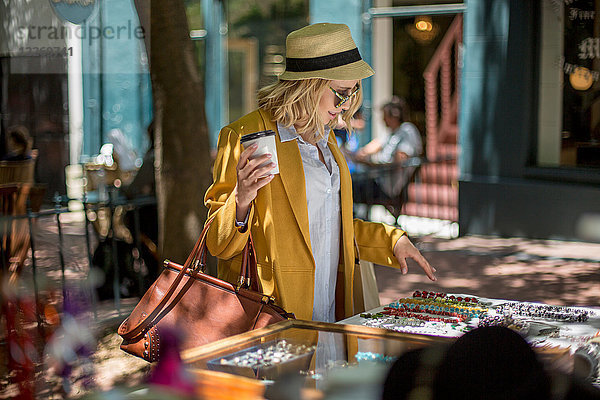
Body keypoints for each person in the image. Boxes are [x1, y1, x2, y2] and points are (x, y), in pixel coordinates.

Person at [204, 23, 436, 323]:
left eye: (352, 93)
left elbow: (329, 223)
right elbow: (218, 244)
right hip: (273, 313)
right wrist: (242, 199)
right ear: (308, 85)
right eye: (340, 93)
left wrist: (391, 240)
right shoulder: (245, 135)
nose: (346, 105)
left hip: (332, 306)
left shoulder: (326, 139)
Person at [352, 97, 423, 204]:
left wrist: (370, 164)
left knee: (349, 188)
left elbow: (398, 163)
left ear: (394, 115)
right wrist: (361, 154)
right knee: (350, 183)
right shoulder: (392, 133)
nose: (383, 119)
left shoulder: (407, 130)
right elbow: (377, 144)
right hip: (378, 181)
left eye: (385, 115)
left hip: (387, 188)